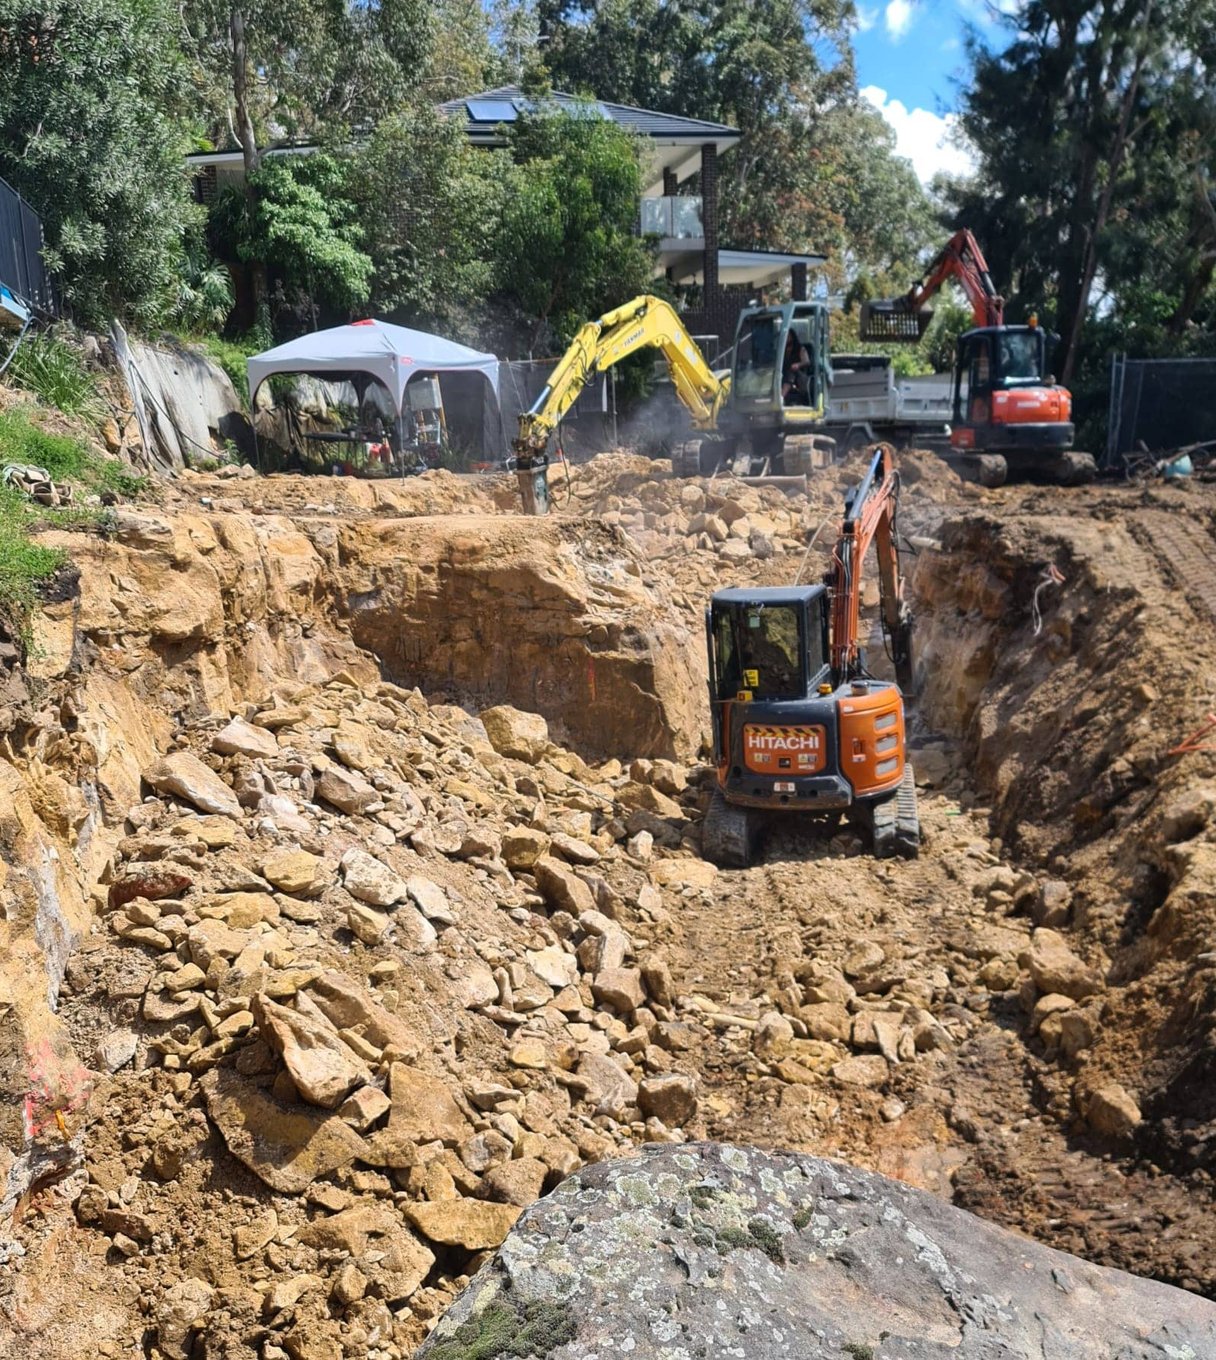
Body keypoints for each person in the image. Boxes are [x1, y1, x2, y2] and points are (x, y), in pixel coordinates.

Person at [782, 330, 810, 403]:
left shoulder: (800, 348)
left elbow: (807, 362)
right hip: (785, 374)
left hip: (800, 375)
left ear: (792, 336)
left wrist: (798, 364)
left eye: (788, 336)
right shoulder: (782, 350)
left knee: (791, 373)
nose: (786, 338)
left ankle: (781, 396)